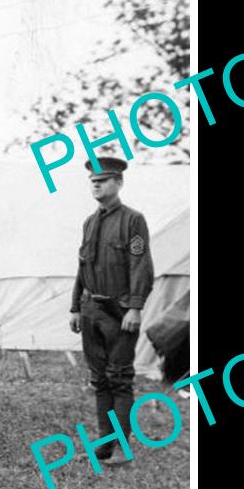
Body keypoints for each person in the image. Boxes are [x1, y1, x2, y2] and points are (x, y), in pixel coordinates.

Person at [70, 156, 153, 465]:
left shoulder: (133, 220)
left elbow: (140, 264)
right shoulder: (89, 222)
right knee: (99, 378)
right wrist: (75, 306)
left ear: (118, 183)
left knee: (119, 378)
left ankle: (121, 448)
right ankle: (105, 443)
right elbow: (82, 265)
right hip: (90, 308)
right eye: (93, 180)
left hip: (118, 311)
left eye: (102, 180)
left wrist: (135, 307)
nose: (95, 184)